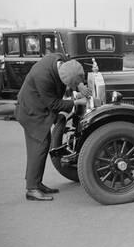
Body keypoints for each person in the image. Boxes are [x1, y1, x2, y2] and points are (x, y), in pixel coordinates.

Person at [16, 54, 91, 201]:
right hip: (32, 111)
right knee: (40, 146)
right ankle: (32, 189)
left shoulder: (61, 61)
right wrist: (76, 102)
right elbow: (54, 104)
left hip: (38, 106)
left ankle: (36, 182)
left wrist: (79, 84)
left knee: (39, 146)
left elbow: (71, 75)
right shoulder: (43, 77)